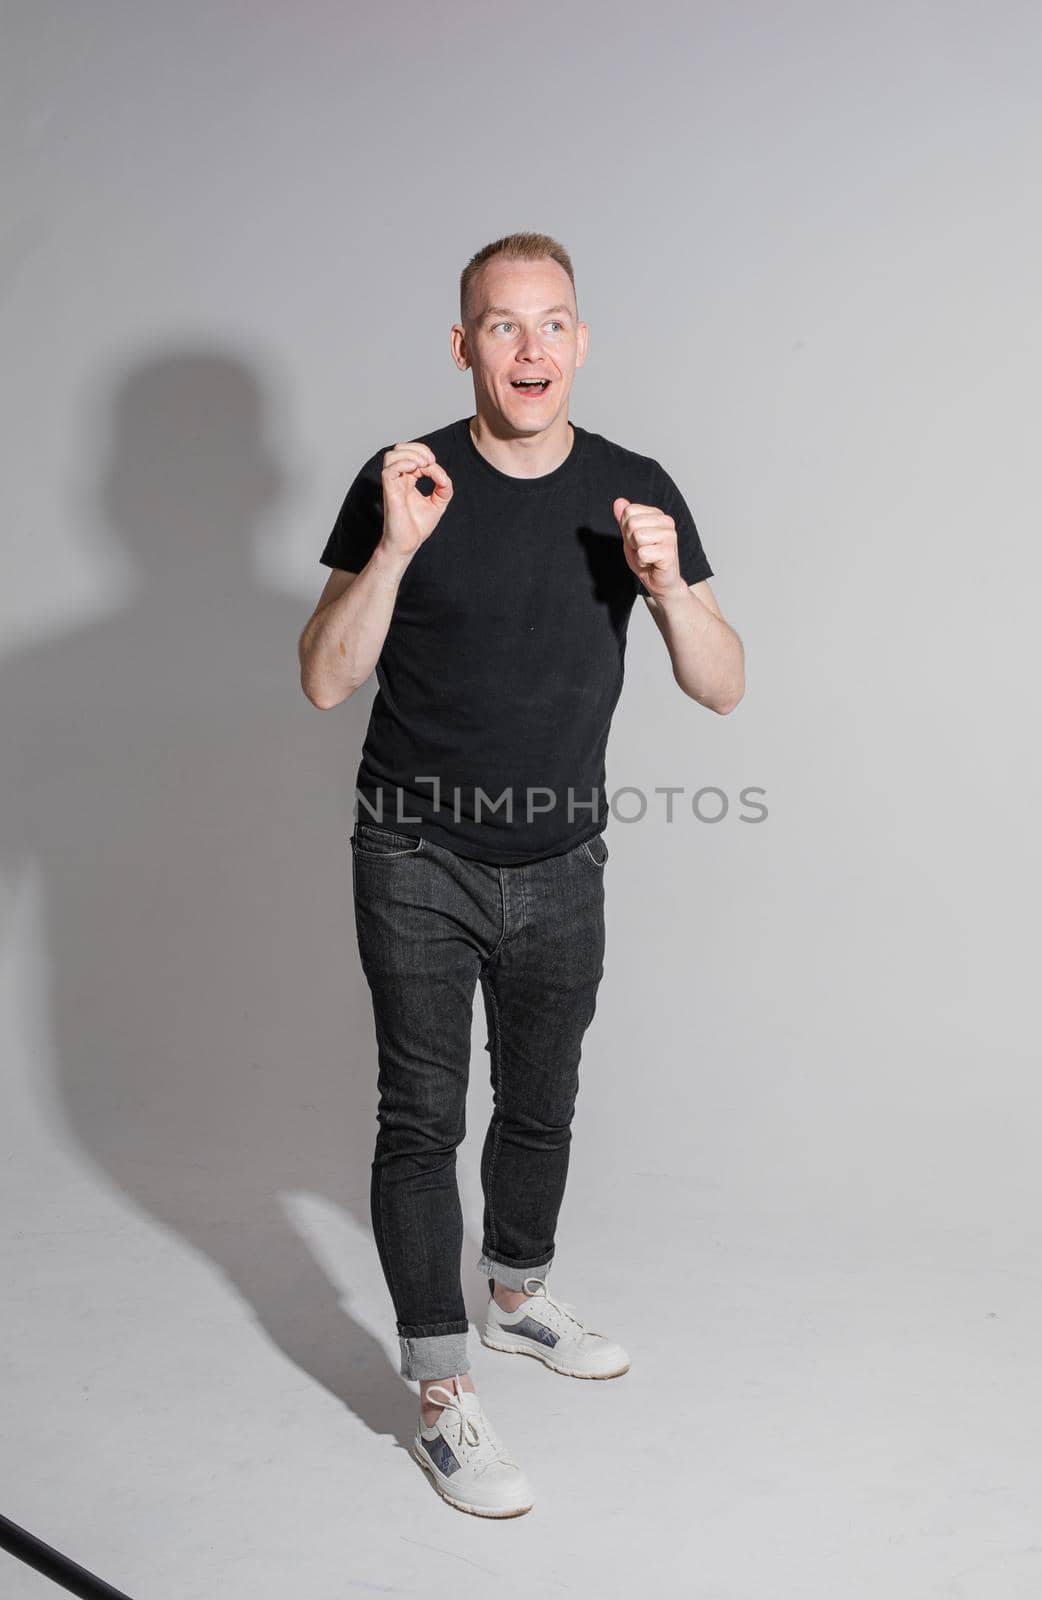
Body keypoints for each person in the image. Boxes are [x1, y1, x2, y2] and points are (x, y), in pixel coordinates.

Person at [298, 231, 745, 1518]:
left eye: (550, 323)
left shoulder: (632, 487)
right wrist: (389, 548)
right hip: (413, 849)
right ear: (462, 345)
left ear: (580, 342)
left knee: (541, 1102)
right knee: (420, 1120)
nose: (529, 348)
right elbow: (326, 677)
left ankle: (513, 1298)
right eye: (502, 326)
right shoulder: (405, 478)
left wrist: (663, 586)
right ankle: (442, 1393)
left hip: (561, 850)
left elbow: (720, 688)